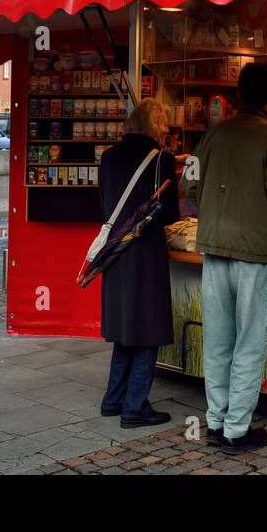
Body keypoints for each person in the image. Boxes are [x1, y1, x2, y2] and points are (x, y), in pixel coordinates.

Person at [181, 62, 267, 454]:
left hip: (213, 246)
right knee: (249, 342)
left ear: (238, 94)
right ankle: (237, 431)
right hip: (255, 252)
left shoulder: (210, 136)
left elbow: (189, 185)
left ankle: (217, 423)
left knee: (218, 339)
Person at [96, 98, 179, 427]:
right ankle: (135, 408)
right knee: (148, 329)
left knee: (124, 328)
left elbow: (104, 203)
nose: (168, 130)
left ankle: (112, 400)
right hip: (146, 253)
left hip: (116, 252)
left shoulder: (109, 157)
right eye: (165, 124)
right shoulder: (162, 160)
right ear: (155, 127)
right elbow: (169, 214)